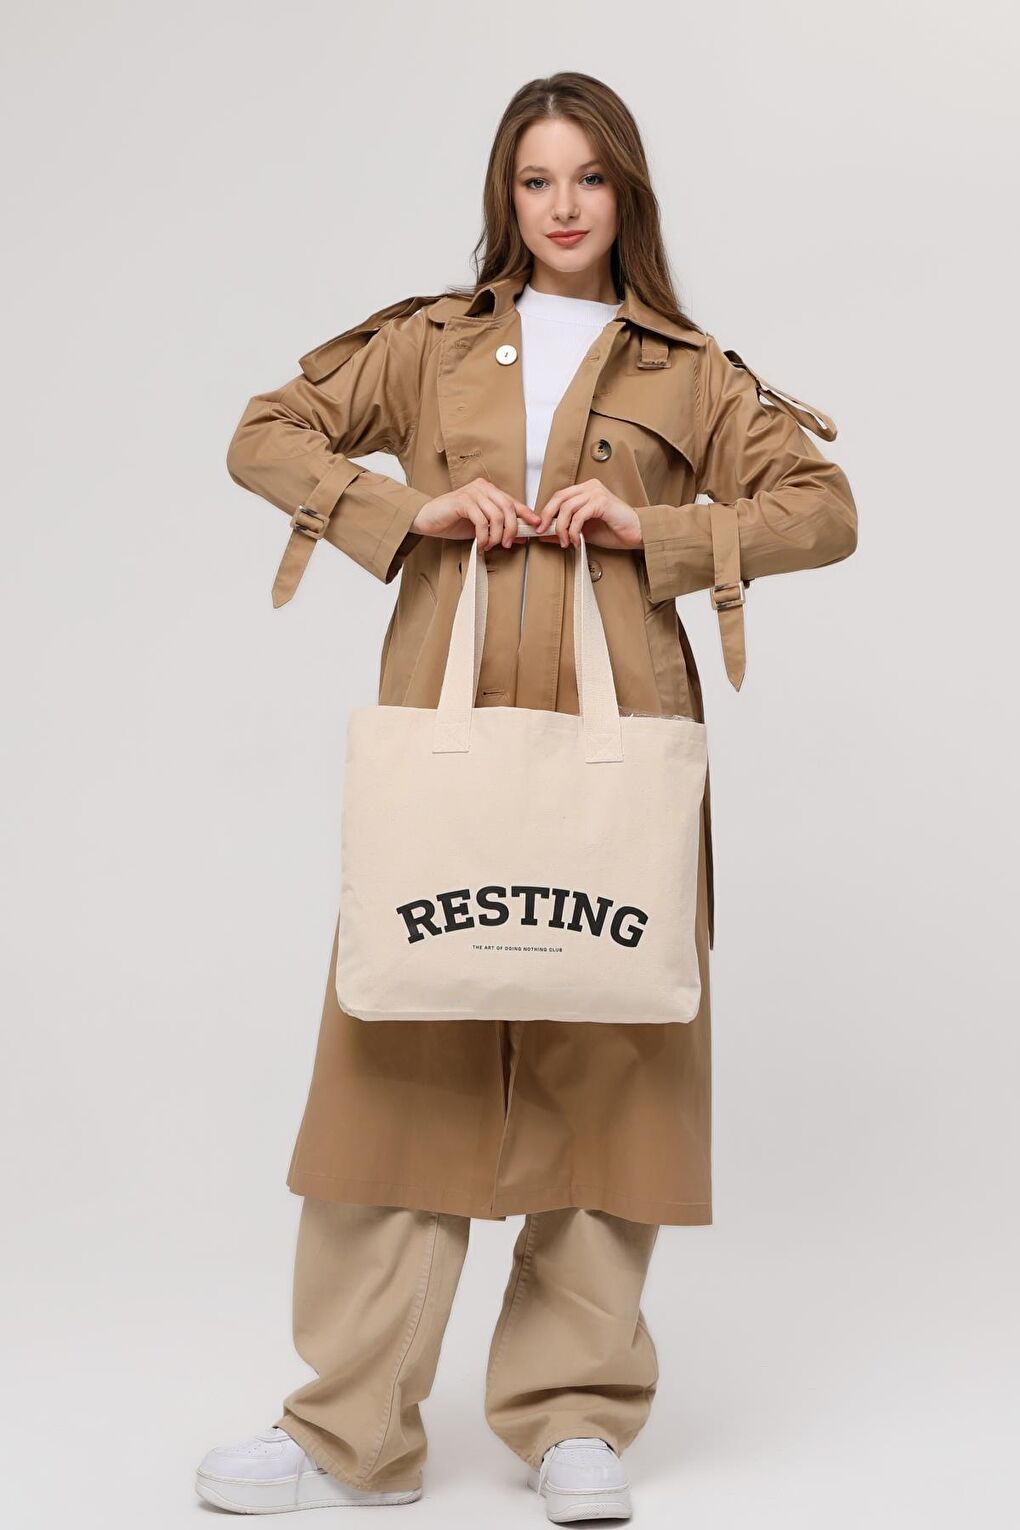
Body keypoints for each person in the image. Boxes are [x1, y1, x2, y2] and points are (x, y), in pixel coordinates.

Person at [196, 70, 858, 1521]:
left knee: (611, 1060)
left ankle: (575, 1416)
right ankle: (346, 1426)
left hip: (624, 743)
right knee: (398, 1045)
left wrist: (661, 529)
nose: (564, 206)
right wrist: (405, 508)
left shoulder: (691, 369)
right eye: (537, 178)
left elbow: (824, 508)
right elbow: (267, 432)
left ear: (628, 193)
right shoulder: (428, 344)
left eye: (590, 177)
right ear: (507, 194)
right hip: (446, 734)